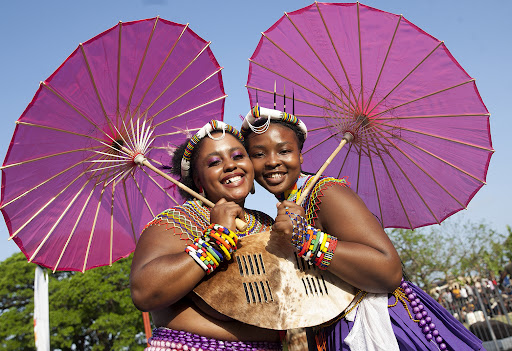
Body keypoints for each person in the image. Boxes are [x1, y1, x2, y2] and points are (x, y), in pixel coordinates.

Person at [242, 107, 485, 351]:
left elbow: (388, 271)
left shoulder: (326, 193)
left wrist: (305, 238)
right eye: (259, 154)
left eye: (284, 151)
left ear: (301, 155)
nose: (273, 161)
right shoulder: (293, 205)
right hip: (336, 333)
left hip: (380, 326)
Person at [130, 120, 282, 351]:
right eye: (214, 162)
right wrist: (216, 240)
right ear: (198, 181)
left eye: (238, 156)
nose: (231, 165)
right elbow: (144, 293)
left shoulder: (266, 223)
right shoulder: (176, 222)